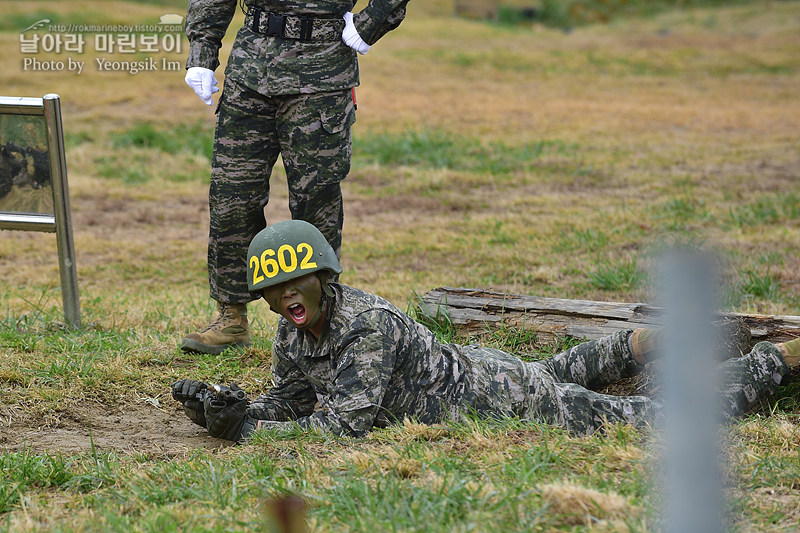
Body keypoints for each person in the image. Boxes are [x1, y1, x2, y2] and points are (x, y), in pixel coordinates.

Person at [172, 220, 800, 442]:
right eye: (275, 293)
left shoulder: (364, 327)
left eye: (296, 285)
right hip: (481, 373)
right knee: (557, 372)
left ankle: (778, 360)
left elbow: (341, 427)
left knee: (658, 417)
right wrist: (235, 408)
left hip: (502, 402)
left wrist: (251, 433)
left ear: (323, 279)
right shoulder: (296, 329)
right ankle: (651, 341)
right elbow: (294, 398)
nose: (286, 299)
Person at [180, 0, 411, 355]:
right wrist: (202, 50)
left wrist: (373, 21)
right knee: (231, 197)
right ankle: (231, 318)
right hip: (250, 72)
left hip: (321, 74)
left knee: (314, 202)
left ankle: (325, 321)